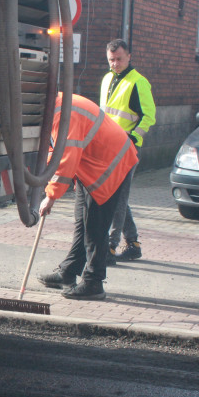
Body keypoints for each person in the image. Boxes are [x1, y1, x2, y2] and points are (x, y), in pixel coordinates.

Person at [37, 94, 139, 300]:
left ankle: (94, 282)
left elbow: (67, 155)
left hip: (109, 165)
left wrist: (51, 195)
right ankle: (69, 270)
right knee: (81, 223)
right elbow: (55, 151)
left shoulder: (63, 114)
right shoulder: (57, 105)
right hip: (93, 164)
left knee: (95, 226)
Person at [100, 39, 155, 263]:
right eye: (111, 60)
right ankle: (133, 244)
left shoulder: (138, 82)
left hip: (126, 149)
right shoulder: (107, 79)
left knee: (118, 198)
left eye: (119, 59)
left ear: (129, 57)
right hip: (107, 147)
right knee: (116, 196)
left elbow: (149, 116)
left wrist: (133, 138)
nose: (115, 63)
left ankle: (110, 247)